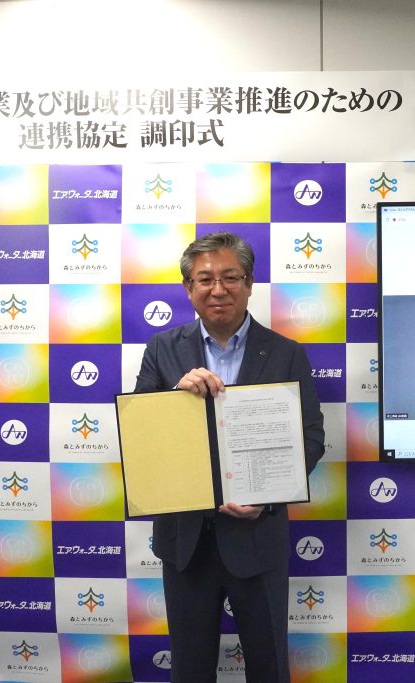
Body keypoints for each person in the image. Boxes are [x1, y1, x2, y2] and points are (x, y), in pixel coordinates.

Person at [134, 231, 325, 682]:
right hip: (186, 540)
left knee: (269, 665)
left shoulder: (286, 353)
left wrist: (268, 497)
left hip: (257, 536)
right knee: (190, 667)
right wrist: (175, 396)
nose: (218, 289)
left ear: (249, 283)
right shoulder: (162, 349)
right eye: (205, 279)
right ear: (188, 288)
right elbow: (141, 438)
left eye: (230, 277)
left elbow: (311, 437)